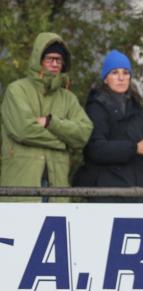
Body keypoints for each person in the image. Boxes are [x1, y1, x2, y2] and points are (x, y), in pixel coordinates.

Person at [0, 32, 93, 202]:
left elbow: (84, 133)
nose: (55, 64)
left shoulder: (68, 98)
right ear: (39, 60)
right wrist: (64, 141)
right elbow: (23, 130)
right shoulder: (16, 90)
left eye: (59, 60)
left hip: (56, 186)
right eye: (50, 58)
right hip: (21, 184)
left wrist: (51, 123)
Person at [72, 50, 143, 199]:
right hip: (107, 194)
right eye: (115, 73)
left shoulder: (138, 110)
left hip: (138, 194)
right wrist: (135, 148)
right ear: (105, 79)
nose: (121, 78)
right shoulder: (96, 107)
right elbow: (95, 149)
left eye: (125, 73)